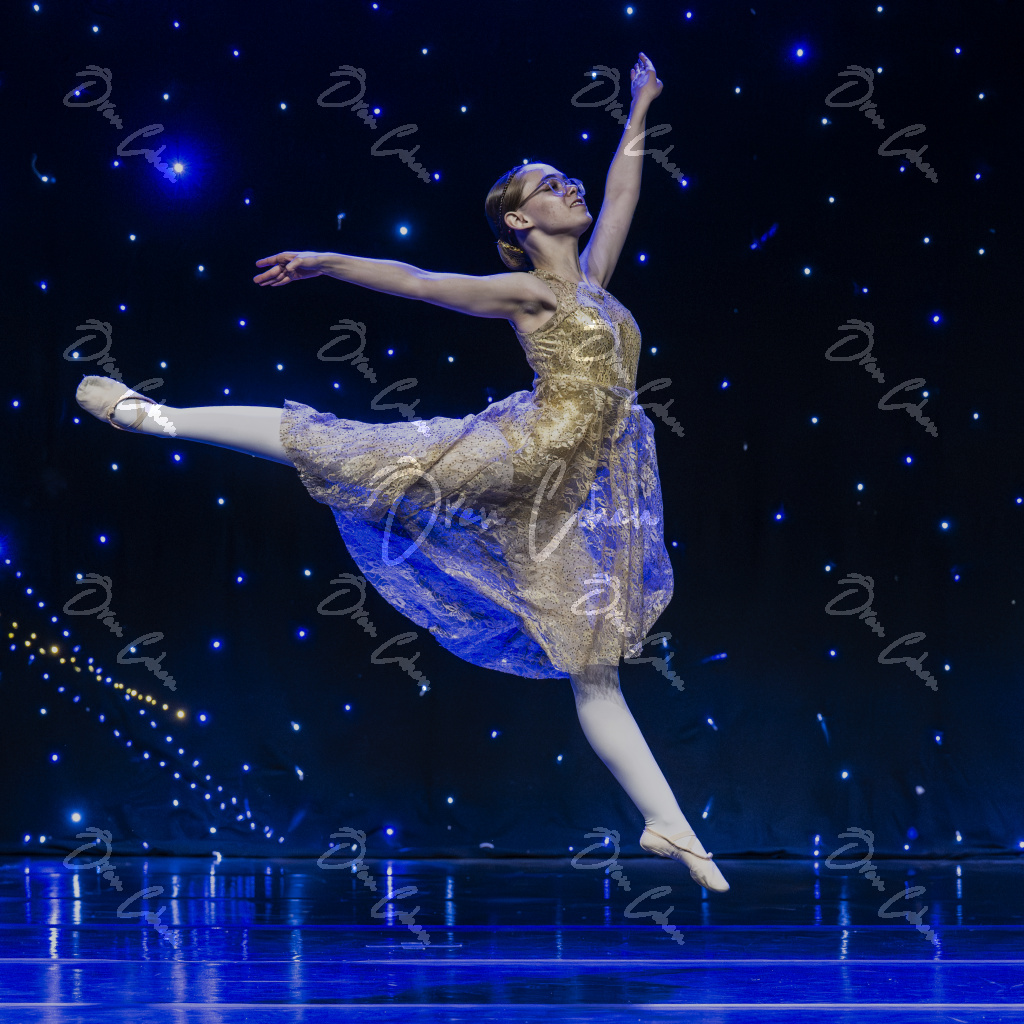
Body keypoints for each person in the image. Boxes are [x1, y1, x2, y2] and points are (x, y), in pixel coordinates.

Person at [74, 52, 729, 893]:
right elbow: (421, 282)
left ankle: (668, 825)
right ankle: (154, 415)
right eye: (549, 184)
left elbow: (626, 191)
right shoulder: (531, 293)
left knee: (591, 663)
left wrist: (640, 109)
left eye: (570, 179)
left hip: (563, 499)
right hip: (519, 453)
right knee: (341, 445)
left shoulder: (596, 284)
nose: (571, 186)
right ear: (520, 221)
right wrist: (328, 260)